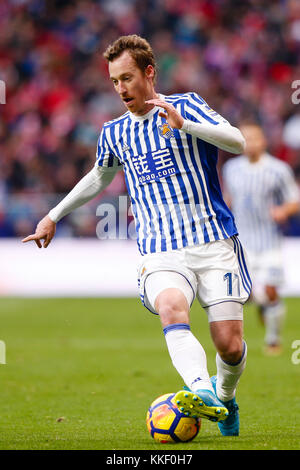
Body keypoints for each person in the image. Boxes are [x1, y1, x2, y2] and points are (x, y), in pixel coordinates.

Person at [22, 34, 251, 436]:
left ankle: (225, 398)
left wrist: (187, 126)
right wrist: (53, 215)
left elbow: (238, 140)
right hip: (161, 250)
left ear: (148, 73)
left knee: (229, 346)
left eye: (127, 78)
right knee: (171, 308)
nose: (121, 88)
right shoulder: (114, 132)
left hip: (214, 241)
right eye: (114, 81)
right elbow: (99, 176)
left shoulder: (186, 105)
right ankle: (201, 391)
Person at [222, 123, 300, 355]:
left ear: (263, 141)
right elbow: (228, 198)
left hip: (269, 242)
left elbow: (294, 201)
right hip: (241, 243)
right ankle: (261, 305)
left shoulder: (278, 170)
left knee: (270, 289)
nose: (250, 144)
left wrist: (283, 211)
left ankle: (273, 340)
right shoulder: (231, 169)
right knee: (244, 296)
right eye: (245, 139)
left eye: (254, 138)